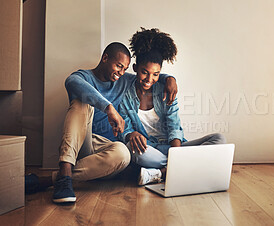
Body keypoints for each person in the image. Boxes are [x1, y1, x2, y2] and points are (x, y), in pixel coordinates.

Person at [25, 42, 178, 203]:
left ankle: (57, 179)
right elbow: (71, 81)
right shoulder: (85, 77)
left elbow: (147, 74)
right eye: (119, 66)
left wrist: (169, 78)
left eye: (125, 69)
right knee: (81, 102)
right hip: (85, 142)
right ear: (105, 58)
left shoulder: (123, 79)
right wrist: (108, 108)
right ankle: (65, 168)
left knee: (124, 153)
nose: (121, 72)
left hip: (108, 154)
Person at [119, 28, 226, 186]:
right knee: (134, 151)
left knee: (219, 139)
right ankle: (189, 169)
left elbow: (174, 124)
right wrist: (130, 134)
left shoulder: (165, 89)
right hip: (149, 149)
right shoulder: (124, 93)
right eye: (144, 72)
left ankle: (161, 173)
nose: (150, 79)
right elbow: (124, 127)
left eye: (156, 74)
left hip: (174, 146)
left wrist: (177, 155)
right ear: (135, 69)